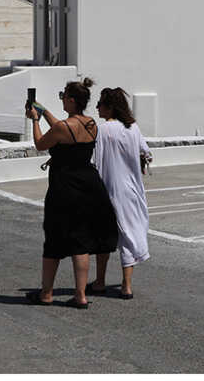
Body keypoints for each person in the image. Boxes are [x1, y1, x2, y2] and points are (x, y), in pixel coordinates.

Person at [25, 77, 118, 308]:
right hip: (89, 184)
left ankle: (46, 293)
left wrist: (35, 121)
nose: (62, 101)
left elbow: (41, 143)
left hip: (64, 186)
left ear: (72, 100)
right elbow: (64, 128)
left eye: (63, 97)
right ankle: (80, 295)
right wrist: (45, 111)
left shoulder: (62, 128)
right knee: (82, 240)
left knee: (54, 237)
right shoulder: (91, 124)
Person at [89, 87, 151, 299]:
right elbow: (146, 151)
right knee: (129, 235)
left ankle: (99, 281)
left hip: (109, 189)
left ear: (109, 107)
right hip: (132, 190)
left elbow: (95, 161)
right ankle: (126, 285)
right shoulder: (133, 127)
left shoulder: (103, 130)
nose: (97, 107)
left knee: (104, 236)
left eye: (100, 104)